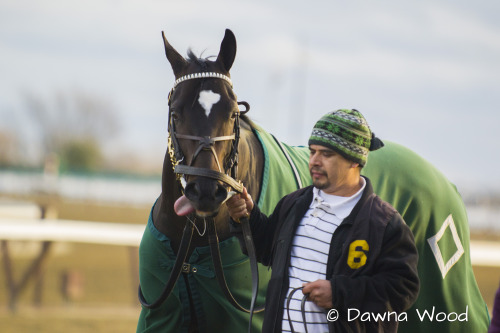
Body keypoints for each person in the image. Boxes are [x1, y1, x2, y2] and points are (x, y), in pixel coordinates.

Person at [226, 109, 420, 332]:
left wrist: (339, 293)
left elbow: (403, 290)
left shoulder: (384, 223)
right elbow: (266, 250)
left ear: (354, 161)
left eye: (326, 154)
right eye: (312, 152)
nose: (315, 161)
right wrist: (246, 217)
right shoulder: (294, 204)